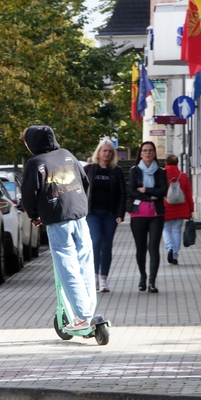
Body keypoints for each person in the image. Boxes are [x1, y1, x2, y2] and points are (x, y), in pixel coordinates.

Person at [20, 125, 96, 331]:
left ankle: (82, 315)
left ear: (32, 143)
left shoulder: (35, 163)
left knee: (68, 267)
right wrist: (81, 205)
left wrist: (34, 215)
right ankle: (89, 310)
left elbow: (28, 194)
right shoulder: (67, 155)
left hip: (57, 218)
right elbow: (85, 181)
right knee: (85, 263)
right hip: (80, 216)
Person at [84, 138, 126, 292]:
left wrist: (120, 213)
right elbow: (80, 191)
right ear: (99, 153)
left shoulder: (117, 171)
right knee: (95, 242)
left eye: (110, 151)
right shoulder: (89, 169)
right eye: (104, 151)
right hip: (92, 213)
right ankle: (94, 276)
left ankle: (104, 280)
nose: (107, 153)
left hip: (110, 214)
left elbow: (122, 193)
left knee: (107, 245)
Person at [126, 141, 168, 293]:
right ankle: (143, 276)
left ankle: (152, 282)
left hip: (157, 214)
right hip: (138, 214)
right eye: (145, 150)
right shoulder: (134, 170)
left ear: (155, 153)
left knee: (154, 247)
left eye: (150, 150)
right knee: (141, 247)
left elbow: (163, 190)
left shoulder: (161, 171)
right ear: (141, 154)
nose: (148, 153)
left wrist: (146, 190)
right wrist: (150, 196)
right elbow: (132, 191)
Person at [162, 154, 194, 265]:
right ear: (177, 163)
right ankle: (175, 256)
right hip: (181, 207)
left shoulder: (162, 174)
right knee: (177, 230)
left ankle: (169, 248)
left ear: (166, 163)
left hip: (166, 206)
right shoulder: (183, 176)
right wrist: (191, 209)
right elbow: (189, 194)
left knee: (165, 229)